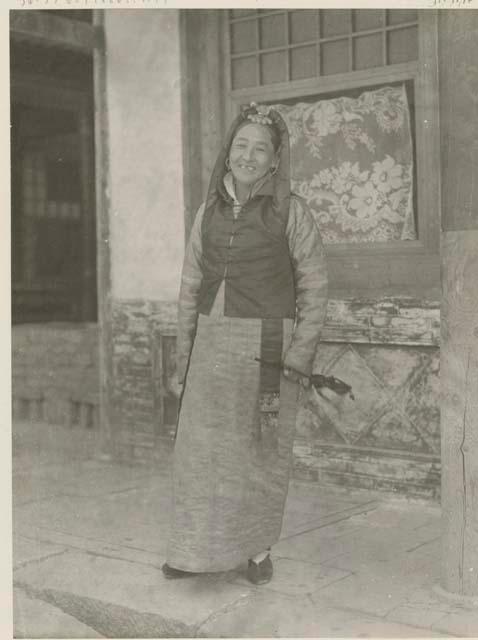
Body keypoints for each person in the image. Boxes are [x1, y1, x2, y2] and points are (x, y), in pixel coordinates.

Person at [163, 103, 328, 585]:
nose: (249, 156)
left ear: (275, 160)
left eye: (261, 149)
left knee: (259, 451)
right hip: (211, 344)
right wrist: (183, 355)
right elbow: (190, 284)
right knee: (200, 451)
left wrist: (299, 356)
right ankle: (192, 551)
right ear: (228, 152)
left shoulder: (291, 212)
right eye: (241, 146)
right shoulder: (206, 213)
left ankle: (257, 552)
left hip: (267, 348)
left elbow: (315, 288)